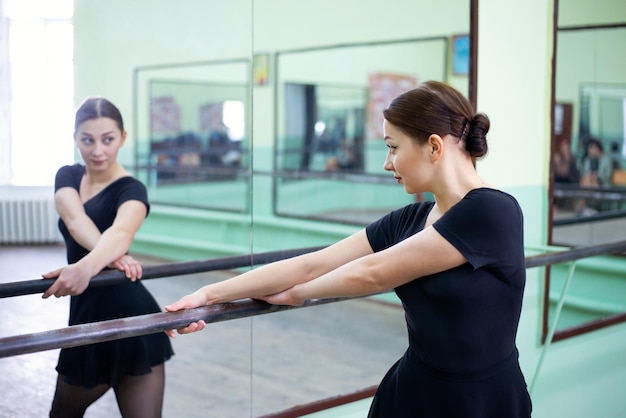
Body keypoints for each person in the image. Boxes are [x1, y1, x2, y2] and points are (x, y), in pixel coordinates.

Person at [165, 81, 532, 417]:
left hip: (482, 401)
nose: (387, 163)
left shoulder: (492, 212)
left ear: (434, 146)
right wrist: (208, 294)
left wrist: (297, 295)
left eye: (392, 148)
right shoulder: (409, 220)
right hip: (415, 393)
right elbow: (313, 264)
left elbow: (373, 273)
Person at [42, 97, 174, 418]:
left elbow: (121, 234)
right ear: (75, 138)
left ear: (123, 138)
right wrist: (110, 258)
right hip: (89, 318)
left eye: (108, 139)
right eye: (87, 140)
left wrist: (87, 266)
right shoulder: (68, 176)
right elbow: (75, 220)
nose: (97, 150)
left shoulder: (132, 189)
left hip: (135, 316)